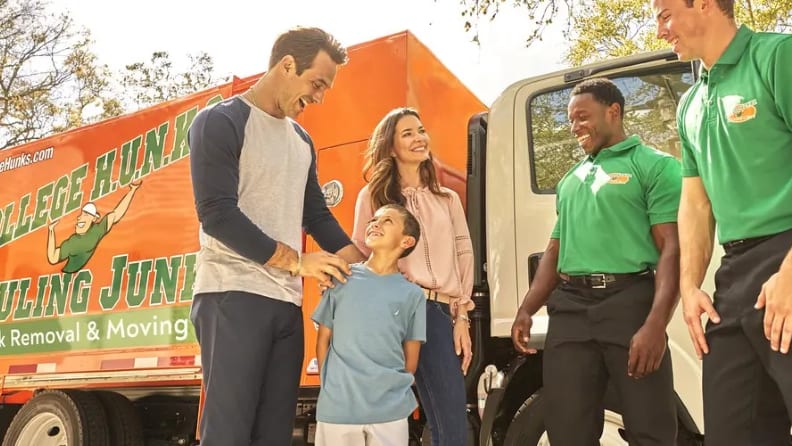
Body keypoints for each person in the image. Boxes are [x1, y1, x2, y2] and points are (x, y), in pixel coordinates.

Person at [187, 27, 365, 446]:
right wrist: (299, 263)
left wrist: (370, 268)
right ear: (287, 65)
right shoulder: (220, 122)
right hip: (232, 295)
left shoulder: (302, 141)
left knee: (273, 435)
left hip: (286, 304)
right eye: (316, 83)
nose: (319, 97)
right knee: (229, 434)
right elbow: (217, 215)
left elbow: (317, 216)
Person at [511, 78, 681, 445]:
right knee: (567, 429)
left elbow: (671, 249)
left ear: (613, 111)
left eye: (583, 117)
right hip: (571, 309)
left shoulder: (654, 166)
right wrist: (528, 307)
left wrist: (656, 324)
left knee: (650, 427)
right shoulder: (571, 179)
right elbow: (556, 250)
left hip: (630, 303)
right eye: (571, 121)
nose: (575, 128)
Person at [653, 0, 792, 443]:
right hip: (733, 281)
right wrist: (691, 287)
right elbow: (695, 203)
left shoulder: (778, 58)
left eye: (665, 14)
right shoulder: (691, 103)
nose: (660, 30)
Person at [353, 107, 474, 446]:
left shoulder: (447, 198)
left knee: (449, 417)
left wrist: (461, 314)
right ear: (390, 146)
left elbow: (463, 252)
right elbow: (364, 252)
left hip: (437, 313)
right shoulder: (373, 197)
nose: (419, 138)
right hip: (394, 313)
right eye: (408, 133)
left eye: (421, 131)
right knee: (385, 421)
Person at [313, 204, 426, 446]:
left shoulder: (413, 295)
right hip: (338, 409)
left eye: (387, 221)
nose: (375, 223)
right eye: (373, 220)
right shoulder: (342, 277)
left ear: (407, 241)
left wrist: (390, 392)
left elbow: (411, 361)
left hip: (390, 412)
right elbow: (323, 340)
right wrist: (331, 386)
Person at [47, 179, 142, 273]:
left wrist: (132, 190)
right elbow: (52, 258)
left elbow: (116, 214)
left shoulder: (97, 230)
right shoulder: (73, 242)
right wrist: (51, 230)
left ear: (94, 219)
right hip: (67, 274)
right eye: (81, 215)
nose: (79, 218)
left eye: (85, 215)